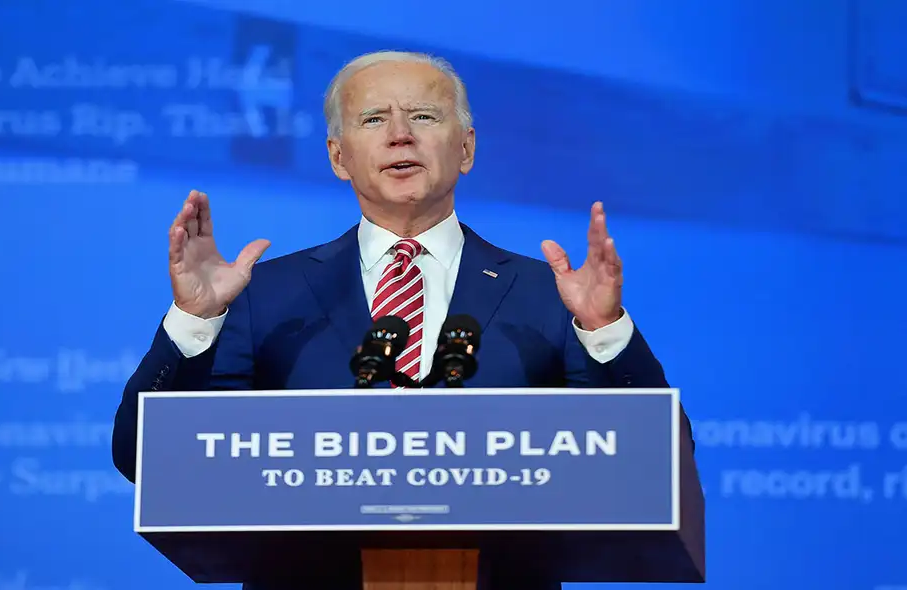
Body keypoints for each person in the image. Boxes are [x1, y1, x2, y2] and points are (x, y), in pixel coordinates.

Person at [111, 50, 695, 588]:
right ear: (338, 158)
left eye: (422, 116)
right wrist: (194, 321)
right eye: (372, 120)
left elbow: (662, 462)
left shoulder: (552, 293)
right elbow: (142, 457)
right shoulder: (265, 294)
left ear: (465, 148)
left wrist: (606, 332)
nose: (399, 136)